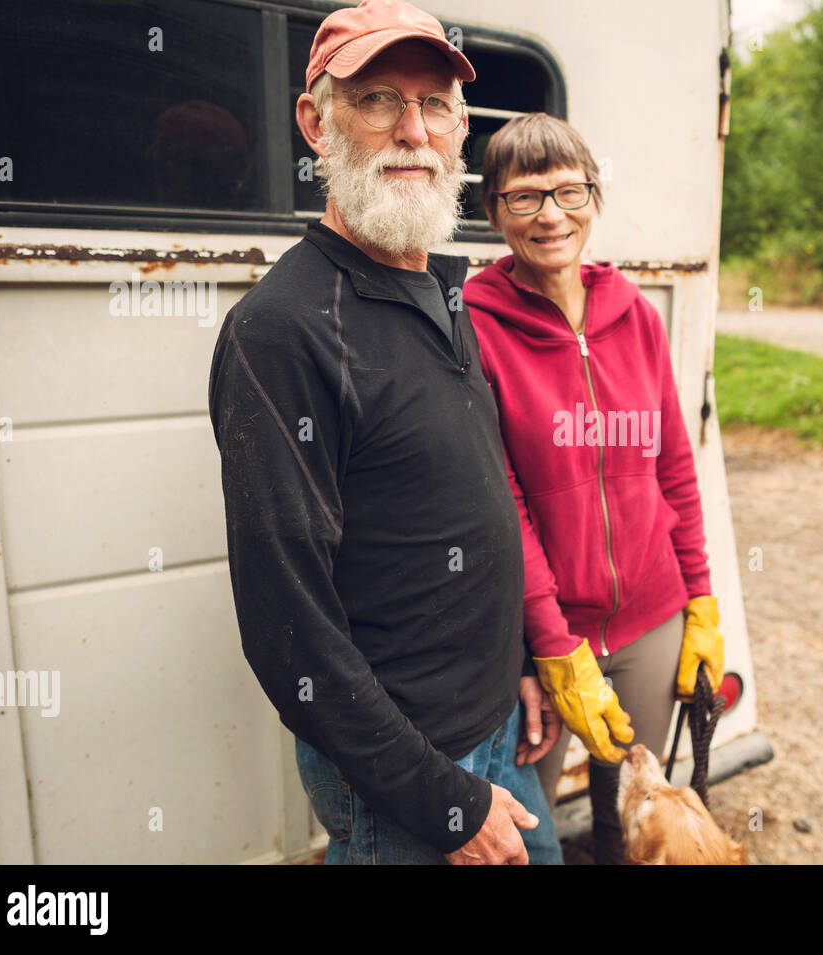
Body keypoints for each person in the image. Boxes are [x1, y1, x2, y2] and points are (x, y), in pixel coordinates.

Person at [207, 0, 562, 865]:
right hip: (411, 777)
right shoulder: (282, 330)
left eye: (436, 104)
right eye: (378, 100)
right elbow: (288, 627)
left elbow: (466, 498)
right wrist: (444, 803)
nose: (414, 129)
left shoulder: (443, 292)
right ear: (317, 122)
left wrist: (516, 656)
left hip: (496, 729)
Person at [462, 112, 725, 864]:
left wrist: (700, 600)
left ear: (593, 197)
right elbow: (502, 504)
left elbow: (674, 463)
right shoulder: (476, 327)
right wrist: (550, 644)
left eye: (567, 191)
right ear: (494, 214)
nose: (550, 214)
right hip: (539, 642)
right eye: (524, 197)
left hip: (652, 618)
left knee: (634, 817)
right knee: (522, 831)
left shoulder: (635, 314)